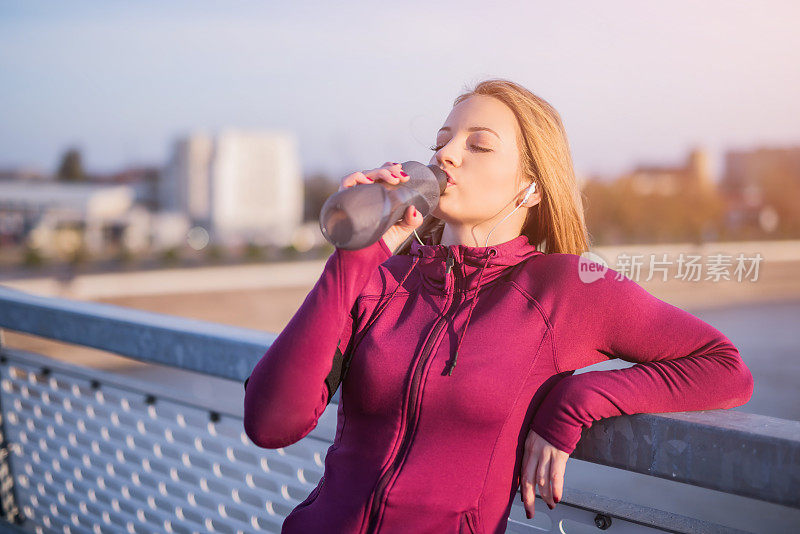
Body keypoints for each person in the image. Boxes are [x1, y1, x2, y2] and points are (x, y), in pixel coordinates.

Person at [243, 78, 754, 533]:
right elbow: (270, 424)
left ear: (531, 186)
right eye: (440, 142)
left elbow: (723, 367)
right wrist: (356, 253)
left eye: (479, 145)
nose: (445, 156)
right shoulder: (382, 280)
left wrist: (576, 402)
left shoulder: (567, 288)